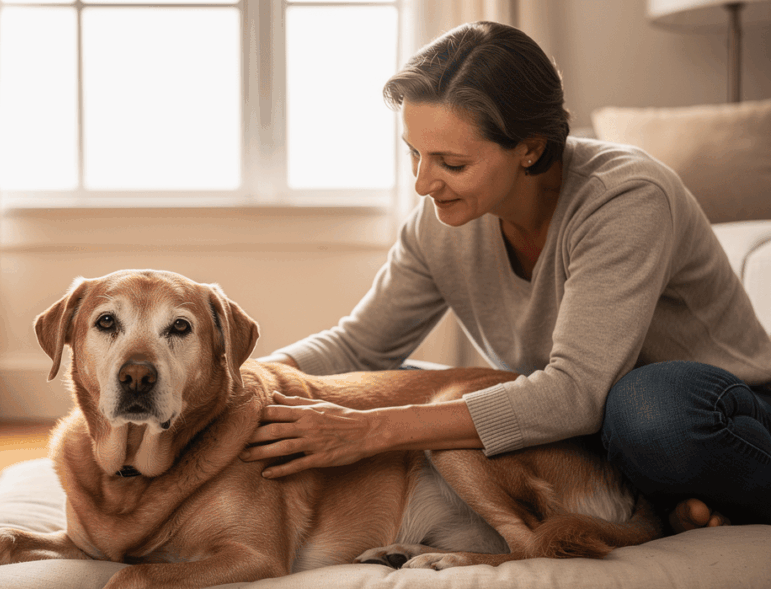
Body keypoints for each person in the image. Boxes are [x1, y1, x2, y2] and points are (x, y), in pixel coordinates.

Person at [238, 21, 771, 533]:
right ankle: (670, 502)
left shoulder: (626, 197)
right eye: (415, 155)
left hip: (707, 412)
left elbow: (575, 393)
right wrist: (244, 383)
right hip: (584, 431)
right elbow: (359, 347)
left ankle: (700, 487)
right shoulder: (440, 222)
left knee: (647, 408)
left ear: (531, 148)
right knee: (378, 386)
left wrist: (371, 430)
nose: (424, 183)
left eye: (450, 162)